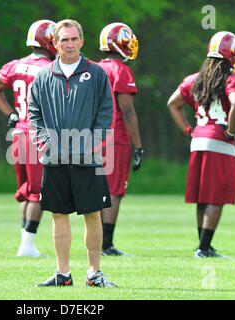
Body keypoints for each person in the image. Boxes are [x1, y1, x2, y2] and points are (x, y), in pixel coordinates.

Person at [29, 19, 118, 287]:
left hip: (87, 157)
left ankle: (94, 274)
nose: (69, 44)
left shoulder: (97, 73)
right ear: (54, 43)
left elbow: (106, 114)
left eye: (74, 39)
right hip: (54, 158)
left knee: (92, 213)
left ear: (82, 41)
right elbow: (34, 115)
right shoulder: (43, 76)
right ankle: (62, 274)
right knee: (59, 214)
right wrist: (45, 142)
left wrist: (90, 143)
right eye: (64, 40)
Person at [167, 31, 235, 258]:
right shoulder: (230, 80)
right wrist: (231, 130)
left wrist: (189, 131)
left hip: (198, 140)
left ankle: (203, 245)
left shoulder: (195, 79)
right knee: (216, 196)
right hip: (219, 142)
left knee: (202, 196)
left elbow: (172, 103)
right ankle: (204, 247)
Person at [0, 20, 56, 257]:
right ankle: (26, 246)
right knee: (39, 192)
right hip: (38, 134)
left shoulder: (15, 65)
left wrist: (11, 113)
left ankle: (26, 243)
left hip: (18, 132)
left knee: (27, 190)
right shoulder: (51, 68)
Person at [98, 22, 143, 256]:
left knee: (96, 189)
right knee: (114, 191)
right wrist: (138, 146)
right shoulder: (120, 71)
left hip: (90, 137)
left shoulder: (90, 67)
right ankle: (106, 245)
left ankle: (96, 241)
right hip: (114, 137)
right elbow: (127, 111)